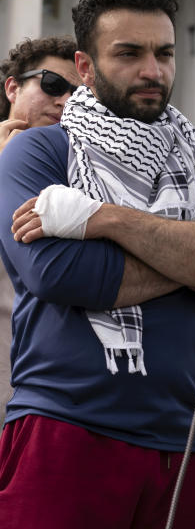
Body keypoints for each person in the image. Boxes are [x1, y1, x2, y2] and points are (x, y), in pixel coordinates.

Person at [0, 0, 195, 528]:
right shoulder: (39, 150)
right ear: (85, 67)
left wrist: (105, 219)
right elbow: (60, 273)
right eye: (129, 53)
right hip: (65, 429)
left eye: (164, 53)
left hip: (190, 442)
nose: (152, 71)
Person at [0, 36, 81, 424]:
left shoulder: (79, 167)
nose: (65, 101)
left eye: (80, 94)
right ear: (13, 87)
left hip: (37, 380)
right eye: (52, 85)